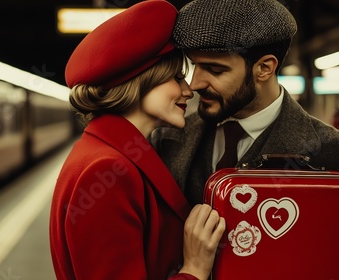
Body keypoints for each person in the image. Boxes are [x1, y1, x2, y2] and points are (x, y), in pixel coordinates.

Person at [150, 0, 339, 278]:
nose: (194, 84)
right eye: (194, 67)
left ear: (264, 68)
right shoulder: (168, 137)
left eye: (214, 70)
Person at [49, 1, 225, 279]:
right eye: (176, 77)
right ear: (142, 80)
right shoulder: (106, 171)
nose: (188, 89)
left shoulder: (106, 152)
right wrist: (194, 269)